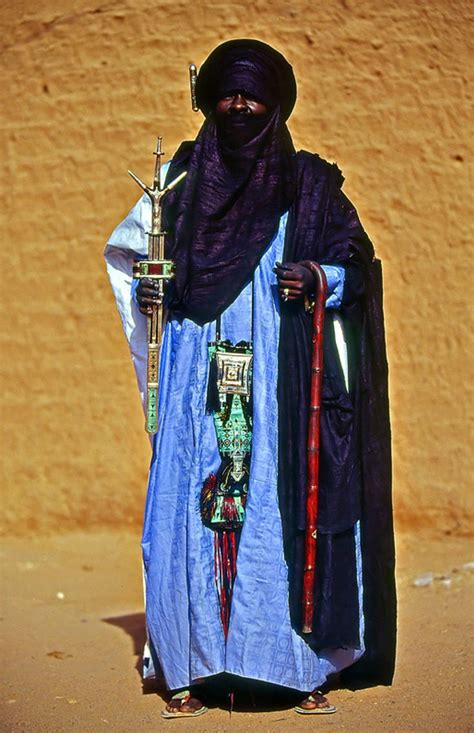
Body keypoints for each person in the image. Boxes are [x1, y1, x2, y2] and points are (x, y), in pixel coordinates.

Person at [105, 39, 396, 718]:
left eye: (252, 95)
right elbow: (136, 257)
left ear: (276, 104)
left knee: (274, 501)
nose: (239, 106)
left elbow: (360, 271)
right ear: (208, 102)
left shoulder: (311, 188)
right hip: (194, 373)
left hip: (281, 381)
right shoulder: (180, 184)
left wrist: (320, 278)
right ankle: (193, 662)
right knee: (196, 505)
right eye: (227, 94)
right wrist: (156, 292)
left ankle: (291, 665)